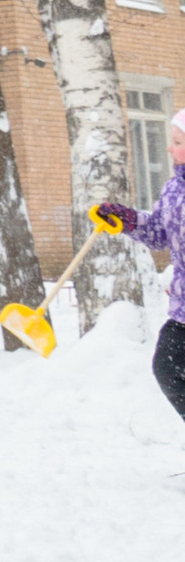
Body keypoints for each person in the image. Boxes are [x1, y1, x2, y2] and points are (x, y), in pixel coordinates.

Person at [95, 110, 185, 430]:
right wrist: (129, 220)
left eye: (177, 141)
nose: (170, 149)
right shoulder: (175, 189)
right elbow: (160, 233)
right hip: (183, 309)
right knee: (166, 366)